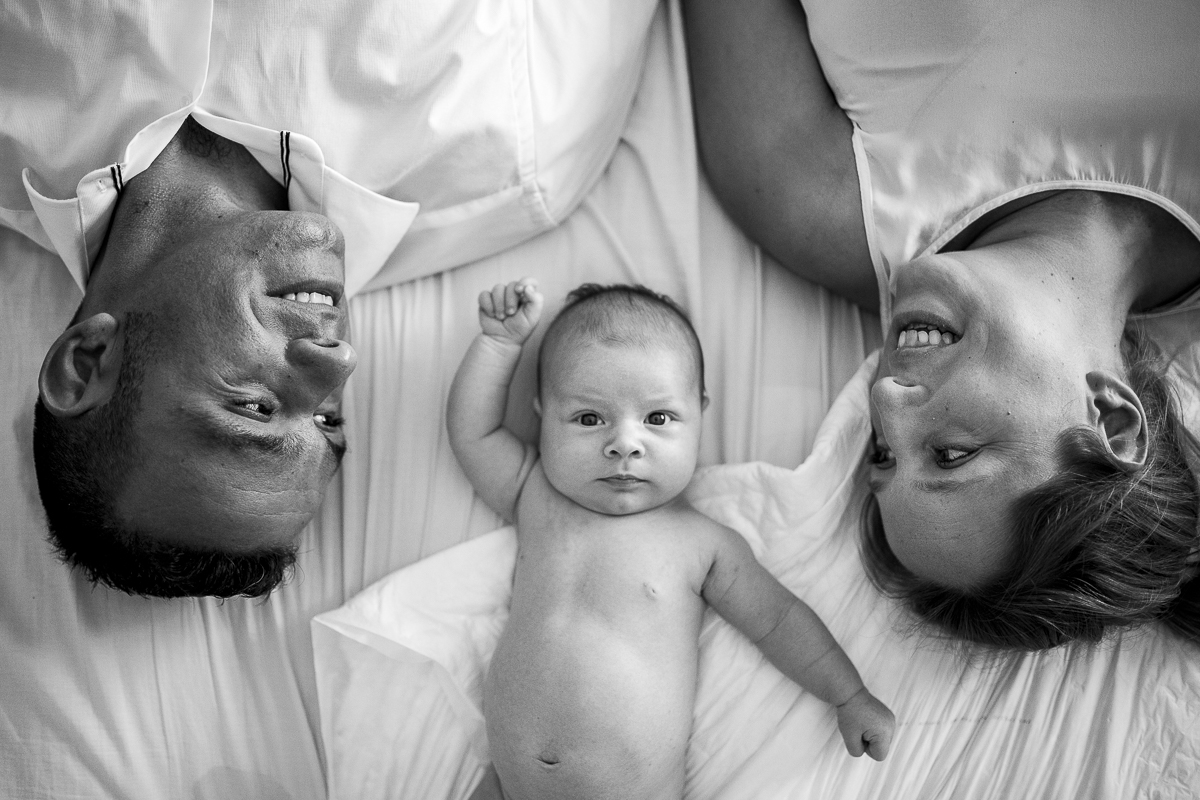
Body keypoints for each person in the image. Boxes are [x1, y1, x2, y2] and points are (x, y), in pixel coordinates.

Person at [4, 0, 659, 598]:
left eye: (256, 407)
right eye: (328, 420)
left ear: (86, 361)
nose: (339, 361)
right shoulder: (518, 157)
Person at [682, 0, 1200, 649]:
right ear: (1112, 419)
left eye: (882, 454)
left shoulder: (812, 200)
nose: (883, 398)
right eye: (951, 454)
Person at [447, 279, 895, 799]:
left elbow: (779, 621)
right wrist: (499, 345)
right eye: (589, 418)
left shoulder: (702, 545)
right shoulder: (535, 495)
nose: (624, 444)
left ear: (699, 413)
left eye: (657, 418)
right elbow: (473, 433)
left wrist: (848, 694)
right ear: (543, 415)